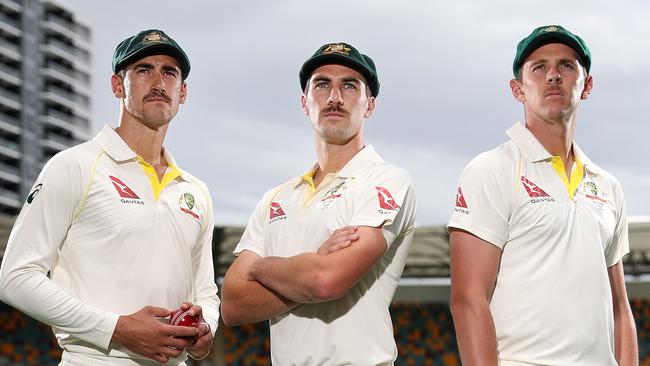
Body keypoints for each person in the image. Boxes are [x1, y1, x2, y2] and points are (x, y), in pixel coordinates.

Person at [0, 29, 219, 364]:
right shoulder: (75, 166)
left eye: (169, 72)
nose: (158, 82)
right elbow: (15, 278)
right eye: (144, 70)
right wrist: (116, 328)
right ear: (118, 85)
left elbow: (206, 291)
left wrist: (206, 330)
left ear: (183, 92)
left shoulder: (195, 191)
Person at [448, 25, 638, 365]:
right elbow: (468, 298)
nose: (553, 75)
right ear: (517, 89)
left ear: (587, 85)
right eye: (539, 67)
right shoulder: (491, 169)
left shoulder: (607, 186)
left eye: (566, 65)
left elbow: (620, 308)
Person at [221, 42, 416, 365]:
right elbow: (232, 304)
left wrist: (260, 268)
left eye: (349, 85)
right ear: (304, 103)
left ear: (370, 105)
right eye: (322, 84)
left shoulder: (386, 180)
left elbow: (326, 281)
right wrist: (312, 262)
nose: (334, 97)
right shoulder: (276, 199)